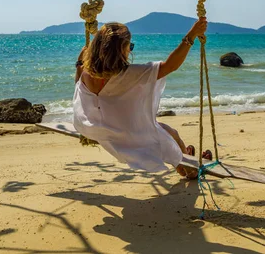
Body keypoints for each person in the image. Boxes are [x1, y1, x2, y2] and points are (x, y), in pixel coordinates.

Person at [73, 18, 209, 179]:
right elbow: (170, 66)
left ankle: (184, 160)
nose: (130, 51)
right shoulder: (130, 74)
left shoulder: (86, 73)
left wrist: (79, 63)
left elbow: (78, 86)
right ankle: (191, 169)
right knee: (171, 137)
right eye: (129, 46)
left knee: (167, 132)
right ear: (119, 50)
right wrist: (191, 35)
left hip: (99, 130)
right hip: (128, 136)